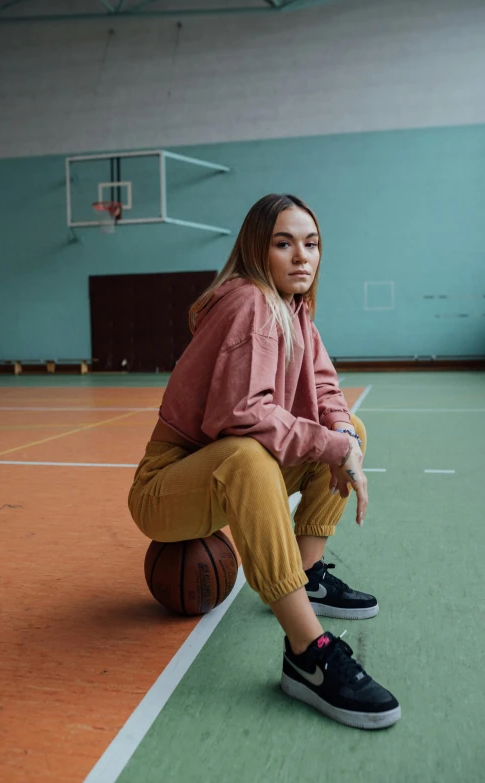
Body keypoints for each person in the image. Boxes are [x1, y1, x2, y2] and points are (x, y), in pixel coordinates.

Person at [128, 194, 400, 730]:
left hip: (220, 466)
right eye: (284, 243)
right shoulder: (250, 304)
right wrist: (332, 447)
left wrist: (344, 436)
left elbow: (325, 386)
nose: (302, 255)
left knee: (351, 431)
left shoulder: (295, 309)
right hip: (165, 486)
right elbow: (241, 416)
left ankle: (304, 573)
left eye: (311, 243)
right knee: (250, 457)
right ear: (258, 250)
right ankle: (307, 655)